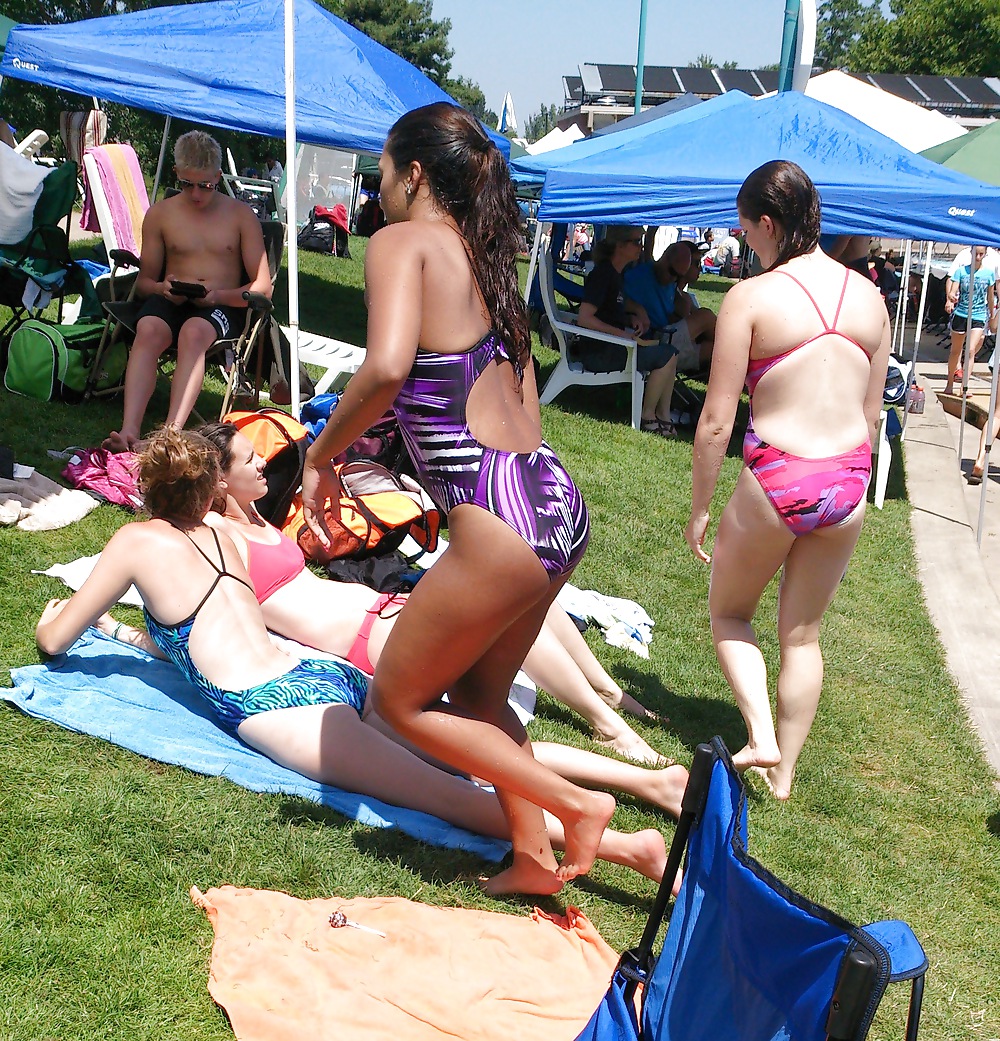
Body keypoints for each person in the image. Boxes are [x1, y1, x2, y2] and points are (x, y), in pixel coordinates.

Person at [40, 427, 687, 887]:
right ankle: (637, 786)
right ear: (208, 488)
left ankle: (630, 847)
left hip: (272, 705)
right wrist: (127, 635)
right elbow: (195, 623)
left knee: (449, 797)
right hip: (323, 673)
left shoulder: (134, 542)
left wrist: (72, 620)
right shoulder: (223, 533)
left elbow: (55, 639)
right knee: (466, 745)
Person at [299, 102, 610, 895]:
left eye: (380, 173)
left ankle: (577, 804)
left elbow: (385, 369)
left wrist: (321, 454)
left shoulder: (402, 242)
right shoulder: (486, 263)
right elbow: (518, 401)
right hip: (554, 499)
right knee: (477, 696)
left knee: (397, 704)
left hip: (498, 513)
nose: (376, 192)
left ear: (412, 175)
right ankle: (534, 860)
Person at [189, 420, 666, 764]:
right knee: (497, 618)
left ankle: (606, 690)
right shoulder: (214, 530)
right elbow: (169, 538)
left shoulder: (255, 519)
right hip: (364, 638)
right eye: (249, 458)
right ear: (216, 480)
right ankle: (609, 726)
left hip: (384, 609)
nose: (263, 463)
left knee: (522, 600)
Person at [684, 160, 890, 801]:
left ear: (768, 224)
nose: (746, 244)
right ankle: (785, 777)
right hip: (848, 479)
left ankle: (761, 735)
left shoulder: (749, 297)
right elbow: (873, 413)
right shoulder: (870, 297)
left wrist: (700, 507)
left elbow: (717, 420)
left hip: (780, 473)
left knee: (730, 613)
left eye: (747, 233)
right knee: (803, 635)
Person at [103, 131, 272, 453]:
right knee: (148, 328)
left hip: (221, 304)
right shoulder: (162, 214)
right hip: (172, 298)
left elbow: (263, 285)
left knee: (194, 332)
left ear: (218, 178)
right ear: (177, 174)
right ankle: (129, 430)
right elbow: (143, 282)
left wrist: (218, 296)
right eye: (187, 184)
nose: (196, 194)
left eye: (205, 186)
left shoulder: (240, 216)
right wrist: (162, 288)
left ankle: (169, 435)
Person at [576, 225, 680, 437]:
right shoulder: (603, 275)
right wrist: (621, 334)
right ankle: (648, 416)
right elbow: (584, 318)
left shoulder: (617, 275)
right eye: (636, 242)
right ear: (619, 245)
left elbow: (609, 312)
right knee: (667, 355)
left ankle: (663, 416)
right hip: (599, 353)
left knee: (671, 354)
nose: (640, 248)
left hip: (613, 347)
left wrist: (630, 318)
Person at [626, 241, 717, 381]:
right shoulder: (639, 275)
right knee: (706, 316)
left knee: (718, 349)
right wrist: (637, 309)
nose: (673, 278)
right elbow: (617, 299)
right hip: (654, 341)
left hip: (668, 339)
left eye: (679, 275)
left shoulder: (675, 290)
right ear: (665, 258)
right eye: (673, 272)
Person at [943, 245, 996, 397]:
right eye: (976, 254)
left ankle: (964, 387)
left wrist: (992, 315)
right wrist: (951, 298)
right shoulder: (961, 271)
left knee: (971, 350)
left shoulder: (988, 274)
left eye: (981, 254)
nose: (978, 257)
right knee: (956, 351)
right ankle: (950, 383)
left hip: (979, 315)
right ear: (971, 253)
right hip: (961, 313)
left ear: (985, 255)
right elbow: (953, 290)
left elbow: (990, 297)